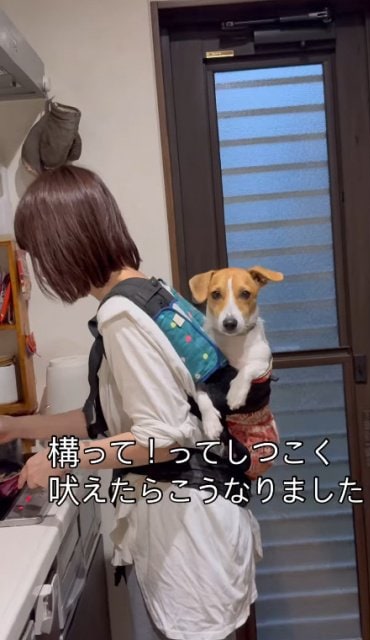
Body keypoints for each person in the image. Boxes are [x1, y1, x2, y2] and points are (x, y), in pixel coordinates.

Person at [0, 166, 262, 640]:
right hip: (207, 516)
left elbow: (160, 438)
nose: (39, 268)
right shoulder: (147, 292)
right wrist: (19, 428)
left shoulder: (120, 316)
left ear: (63, 246)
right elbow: (109, 416)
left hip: (189, 533)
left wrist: (60, 461)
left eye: (38, 254)